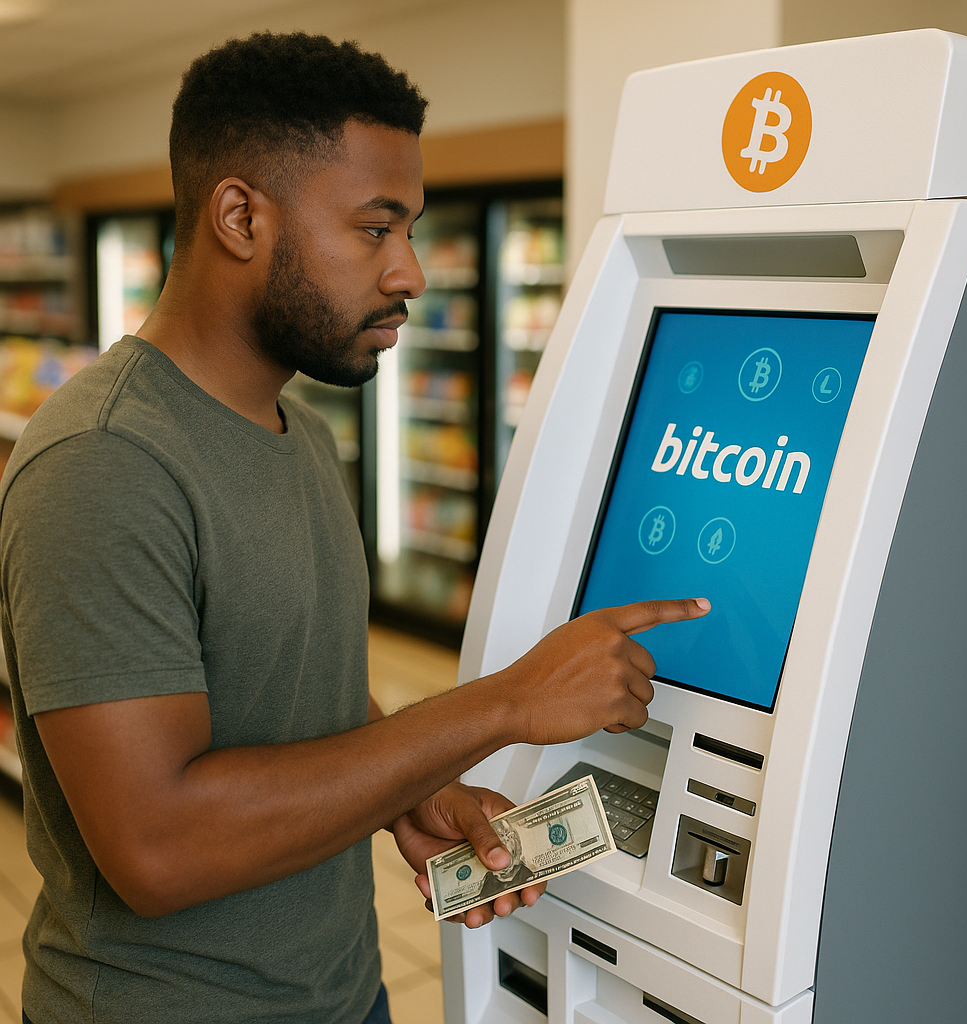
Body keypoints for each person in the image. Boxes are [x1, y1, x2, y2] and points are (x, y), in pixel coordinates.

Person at [0, 31, 709, 1024]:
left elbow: (294, 687)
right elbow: (157, 848)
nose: (410, 271)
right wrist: (506, 702)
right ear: (240, 217)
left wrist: (413, 791)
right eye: (375, 229)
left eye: (409, 230)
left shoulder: (302, 433)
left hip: (343, 993)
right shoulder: (105, 462)